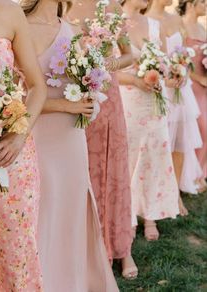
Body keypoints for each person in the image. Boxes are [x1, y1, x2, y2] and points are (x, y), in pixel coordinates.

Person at [21, 0, 120, 291]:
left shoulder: (73, 31)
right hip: (35, 137)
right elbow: (16, 97)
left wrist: (90, 104)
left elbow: (87, 85)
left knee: (72, 206)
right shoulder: (19, 27)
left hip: (71, 141)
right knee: (42, 209)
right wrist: (65, 104)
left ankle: (74, 282)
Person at [0, 0, 47, 290]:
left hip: (11, 158)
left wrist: (19, 136)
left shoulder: (10, 11)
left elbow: (36, 86)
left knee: (14, 248)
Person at [68, 0, 138, 279]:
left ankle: (122, 248)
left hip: (108, 101)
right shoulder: (62, 8)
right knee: (81, 174)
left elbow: (129, 55)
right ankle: (84, 248)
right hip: (75, 101)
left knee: (114, 171)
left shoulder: (112, 10)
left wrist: (105, 64)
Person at [118, 0, 180, 242]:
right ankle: (129, 215)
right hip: (129, 102)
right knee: (130, 157)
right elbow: (107, 69)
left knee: (154, 155)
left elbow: (166, 65)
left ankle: (151, 215)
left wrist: (173, 76)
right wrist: (135, 81)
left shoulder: (155, 24)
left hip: (154, 101)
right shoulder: (113, 22)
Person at [146, 0, 203, 199]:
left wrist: (184, 70)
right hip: (160, 88)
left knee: (180, 142)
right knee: (160, 143)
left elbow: (184, 53)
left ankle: (175, 194)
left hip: (181, 88)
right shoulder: (145, 20)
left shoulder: (176, 19)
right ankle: (156, 191)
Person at [179, 0, 207, 192]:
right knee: (198, 128)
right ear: (190, 3)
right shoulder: (180, 25)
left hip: (204, 84)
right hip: (190, 84)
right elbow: (178, 59)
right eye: (202, 2)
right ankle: (191, 174)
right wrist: (198, 78)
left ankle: (201, 174)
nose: (205, 5)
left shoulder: (203, 28)